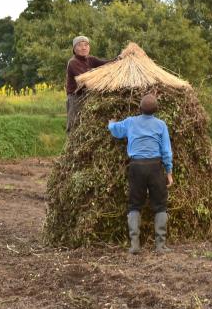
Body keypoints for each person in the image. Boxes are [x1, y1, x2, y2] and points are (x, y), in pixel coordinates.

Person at [107, 94, 174, 254]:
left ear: (140, 108)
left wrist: (111, 123)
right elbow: (166, 151)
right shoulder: (161, 125)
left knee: (135, 204)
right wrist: (169, 172)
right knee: (160, 205)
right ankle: (160, 245)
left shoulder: (130, 122)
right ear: (156, 110)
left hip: (136, 167)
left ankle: (135, 245)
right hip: (155, 166)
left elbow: (116, 130)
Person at [65, 35, 112, 131]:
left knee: (88, 124)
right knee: (75, 125)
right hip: (76, 98)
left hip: (88, 96)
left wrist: (120, 58)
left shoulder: (91, 59)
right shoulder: (73, 62)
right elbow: (85, 79)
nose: (84, 48)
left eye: (86, 45)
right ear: (74, 49)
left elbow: (106, 63)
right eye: (80, 45)